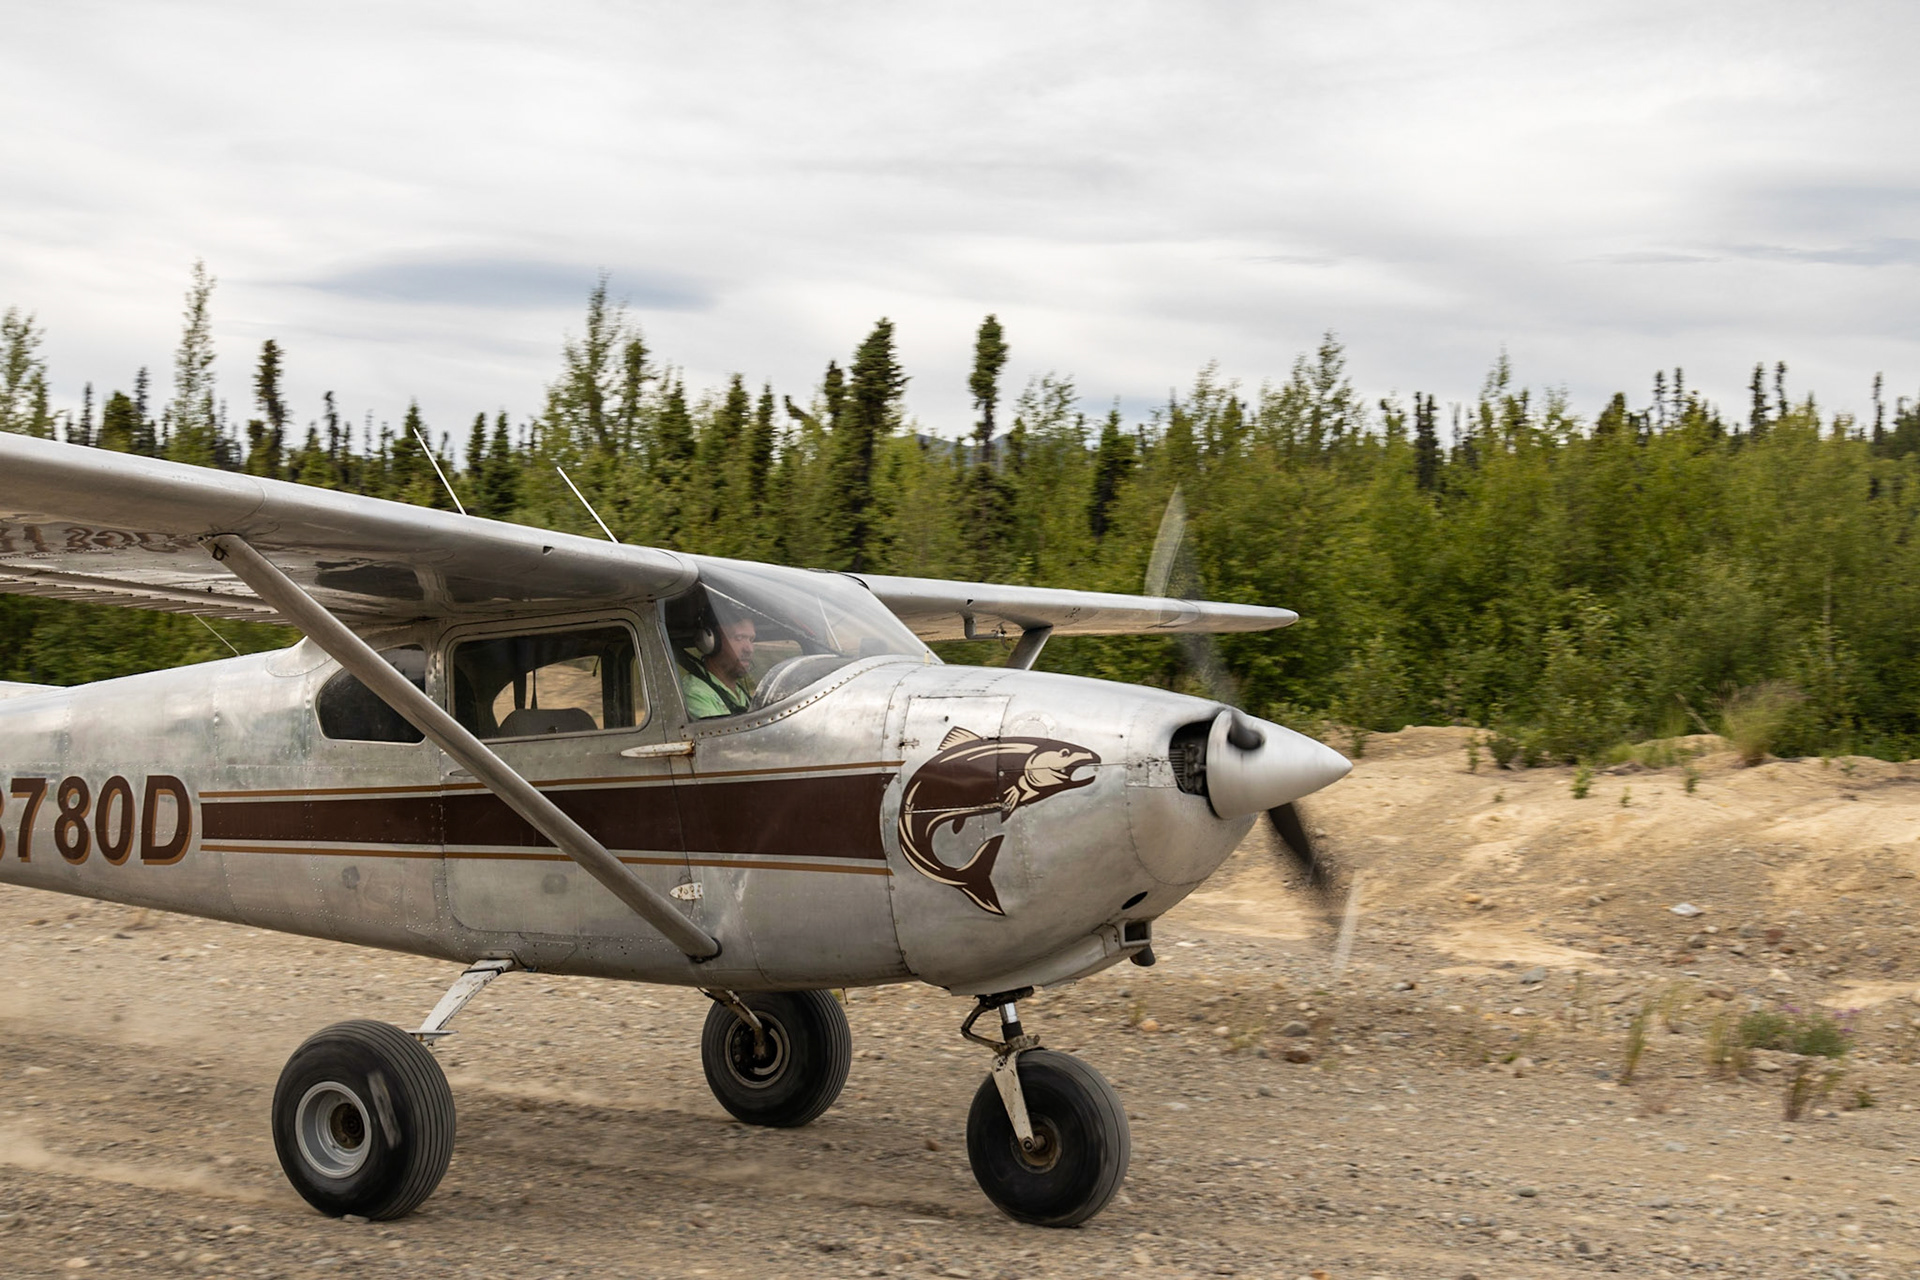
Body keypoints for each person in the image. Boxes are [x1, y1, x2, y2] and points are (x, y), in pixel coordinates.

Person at [682, 614, 756, 719]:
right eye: (739, 638)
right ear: (710, 642)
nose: (749, 649)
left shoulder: (738, 691)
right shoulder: (696, 692)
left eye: (751, 639)